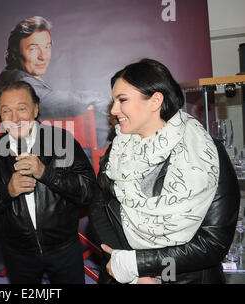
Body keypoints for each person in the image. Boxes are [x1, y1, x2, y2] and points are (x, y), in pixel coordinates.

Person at [88, 58, 240, 284]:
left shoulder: (206, 153)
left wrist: (138, 264)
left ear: (155, 100)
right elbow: (99, 209)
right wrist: (132, 273)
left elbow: (213, 242)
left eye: (122, 100)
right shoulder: (117, 151)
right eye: (113, 101)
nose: (113, 109)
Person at [0, 80, 97, 284]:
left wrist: (46, 173)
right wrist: (7, 191)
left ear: (35, 109)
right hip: (18, 255)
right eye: (6, 111)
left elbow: (89, 192)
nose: (15, 118)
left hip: (64, 249)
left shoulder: (62, 141)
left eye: (22, 108)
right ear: (0, 117)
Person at [0, 16, 111, 148]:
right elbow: (66, 104)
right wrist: (104, 102)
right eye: (33, 49)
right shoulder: (17, 82)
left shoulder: (14, 78)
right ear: (15, 53)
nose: (43, 56)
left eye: (47, 47)